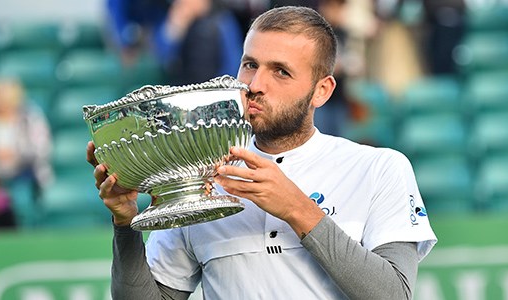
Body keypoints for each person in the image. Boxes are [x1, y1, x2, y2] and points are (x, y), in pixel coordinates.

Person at [87, 6, 436, 299]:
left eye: (281, 72)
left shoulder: (378, 168)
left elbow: (394, 293)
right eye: (250, 64)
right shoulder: (200, 176)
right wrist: (125, 222)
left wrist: (296, 208)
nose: (255, 85)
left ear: (322, 91)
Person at [105, 0, 243, 85]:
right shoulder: (176, 20)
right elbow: (164, 57)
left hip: (213, 94)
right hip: (183, 94)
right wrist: (176, 25)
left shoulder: (222, 22)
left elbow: (232, 67)